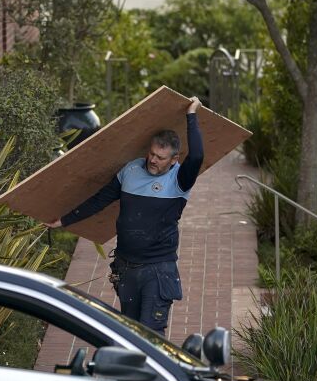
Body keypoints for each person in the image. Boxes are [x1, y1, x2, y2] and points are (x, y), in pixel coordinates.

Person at [47, 97, 204, 333]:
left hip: (157, 269)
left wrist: (191, 114)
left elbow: (198, 156)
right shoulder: (130, 170)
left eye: (160, 158)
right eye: (151, 153)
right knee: (130, 334)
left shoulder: (179, 180)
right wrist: (64, 220)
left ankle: (154, 371)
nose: (152, 160)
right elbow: (100, 199)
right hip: (126, 267)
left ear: (174, 160)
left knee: (151, 335)